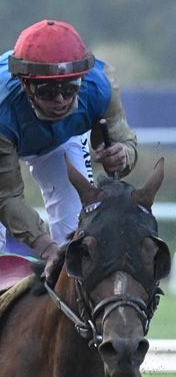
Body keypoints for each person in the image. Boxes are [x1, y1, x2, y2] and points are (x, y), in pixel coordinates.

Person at [0, 20, 139, 264]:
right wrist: (47, 249)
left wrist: (122, 155)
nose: (61, 100)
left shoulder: (100, 88)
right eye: (47, 91)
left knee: (76, 237)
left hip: (60, 140)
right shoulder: (3, 107)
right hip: (6, 131)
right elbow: (7, 198)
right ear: (25, 84)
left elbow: (126, 144)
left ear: (82, 79)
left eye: (70, 87)